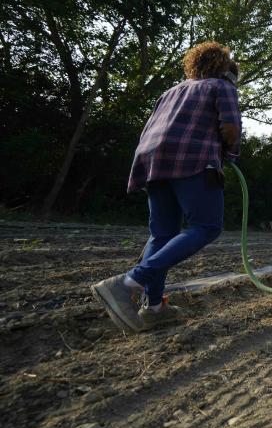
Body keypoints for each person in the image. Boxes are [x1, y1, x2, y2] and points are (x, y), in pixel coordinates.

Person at [91, 42, 242, 333]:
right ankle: (128, 283)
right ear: (223, 68)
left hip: (152, 161)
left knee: (162, 233)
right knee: (207, 226)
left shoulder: (171, 92)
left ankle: (155, 307)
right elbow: (230, 129)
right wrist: (229, 154)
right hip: (192, 159)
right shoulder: (222, 86)